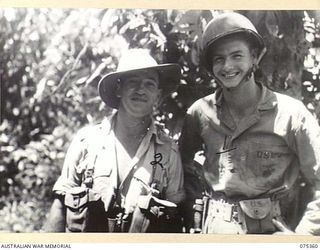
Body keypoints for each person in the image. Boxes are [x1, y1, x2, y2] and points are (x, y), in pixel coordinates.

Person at [179, 12, 320, 235]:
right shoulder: (199, 113)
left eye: (237, 56)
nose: (227, 66)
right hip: (215, 230)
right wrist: (195, 211)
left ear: (254, 57)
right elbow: (182, 166)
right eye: (219, 59)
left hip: (272, 230)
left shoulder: (291, 114)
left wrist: (304, 237)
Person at [45, 49, 185, 233]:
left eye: (149, 84)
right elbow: (60, 204)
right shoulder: (87, 142)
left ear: (158, 96)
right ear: (119, 88)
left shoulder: (168, 152)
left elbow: (174, 218)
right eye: (133, 82)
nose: (140, 90)